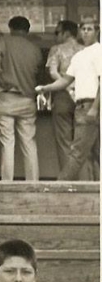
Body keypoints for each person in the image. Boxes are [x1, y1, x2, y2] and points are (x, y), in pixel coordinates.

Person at [39, 18, 102, 181]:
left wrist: (94, 107)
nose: (86, 32)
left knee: (75, 150)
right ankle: (91, 185)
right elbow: (66, 79)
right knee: (91, 151)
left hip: (88, 103)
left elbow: (54, 72)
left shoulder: (98, 51)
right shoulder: (79, 55)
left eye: (89, 29)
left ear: (97, 31)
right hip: (80, 104)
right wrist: (46, 88)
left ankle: (62, 186)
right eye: (83, 29)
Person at [0, 16, 44, 181]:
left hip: (6, 97)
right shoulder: (35, 49)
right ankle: (33, 182)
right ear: (27, 30)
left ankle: (7, 183)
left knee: (7, 143)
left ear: (10, 28)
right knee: (29, 143)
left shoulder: (5, 41)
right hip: (27, 99)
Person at [44, 20, 83, 176]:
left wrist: (65, 87)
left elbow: (53, 72)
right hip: (82, 97)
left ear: (66, 33)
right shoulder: (85, 50)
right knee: (81, 143)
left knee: (64, 142)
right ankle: (85, 180)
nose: (55, 37)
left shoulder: (57, 49)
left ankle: (68, 180)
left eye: (57, 33)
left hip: (62, 97)